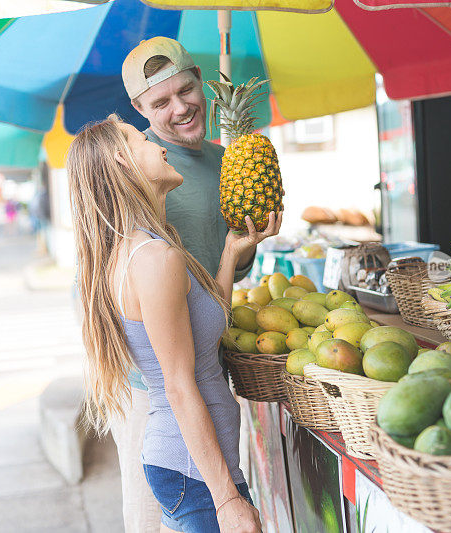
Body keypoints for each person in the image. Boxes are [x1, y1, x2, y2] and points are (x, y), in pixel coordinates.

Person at [67, 115, 280, 532]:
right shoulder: (153, 259)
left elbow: (202, 332)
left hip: (195, 470)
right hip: (198, 477)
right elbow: (179, 386)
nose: (159, 146)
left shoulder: (146, 245)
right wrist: (227, 500)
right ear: (123, 163)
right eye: (140, 140)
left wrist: (231, 253)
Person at [107, 36, 263, 532]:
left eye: (186, 90)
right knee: (155, 520)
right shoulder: (139, 173)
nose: (181, 108)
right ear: (139, 108)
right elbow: (105, 281)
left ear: (201, 80)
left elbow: (230, 274)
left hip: (208, 370)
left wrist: (247, 242)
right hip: (153, 391)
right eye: (161, 102)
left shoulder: (227, 161)